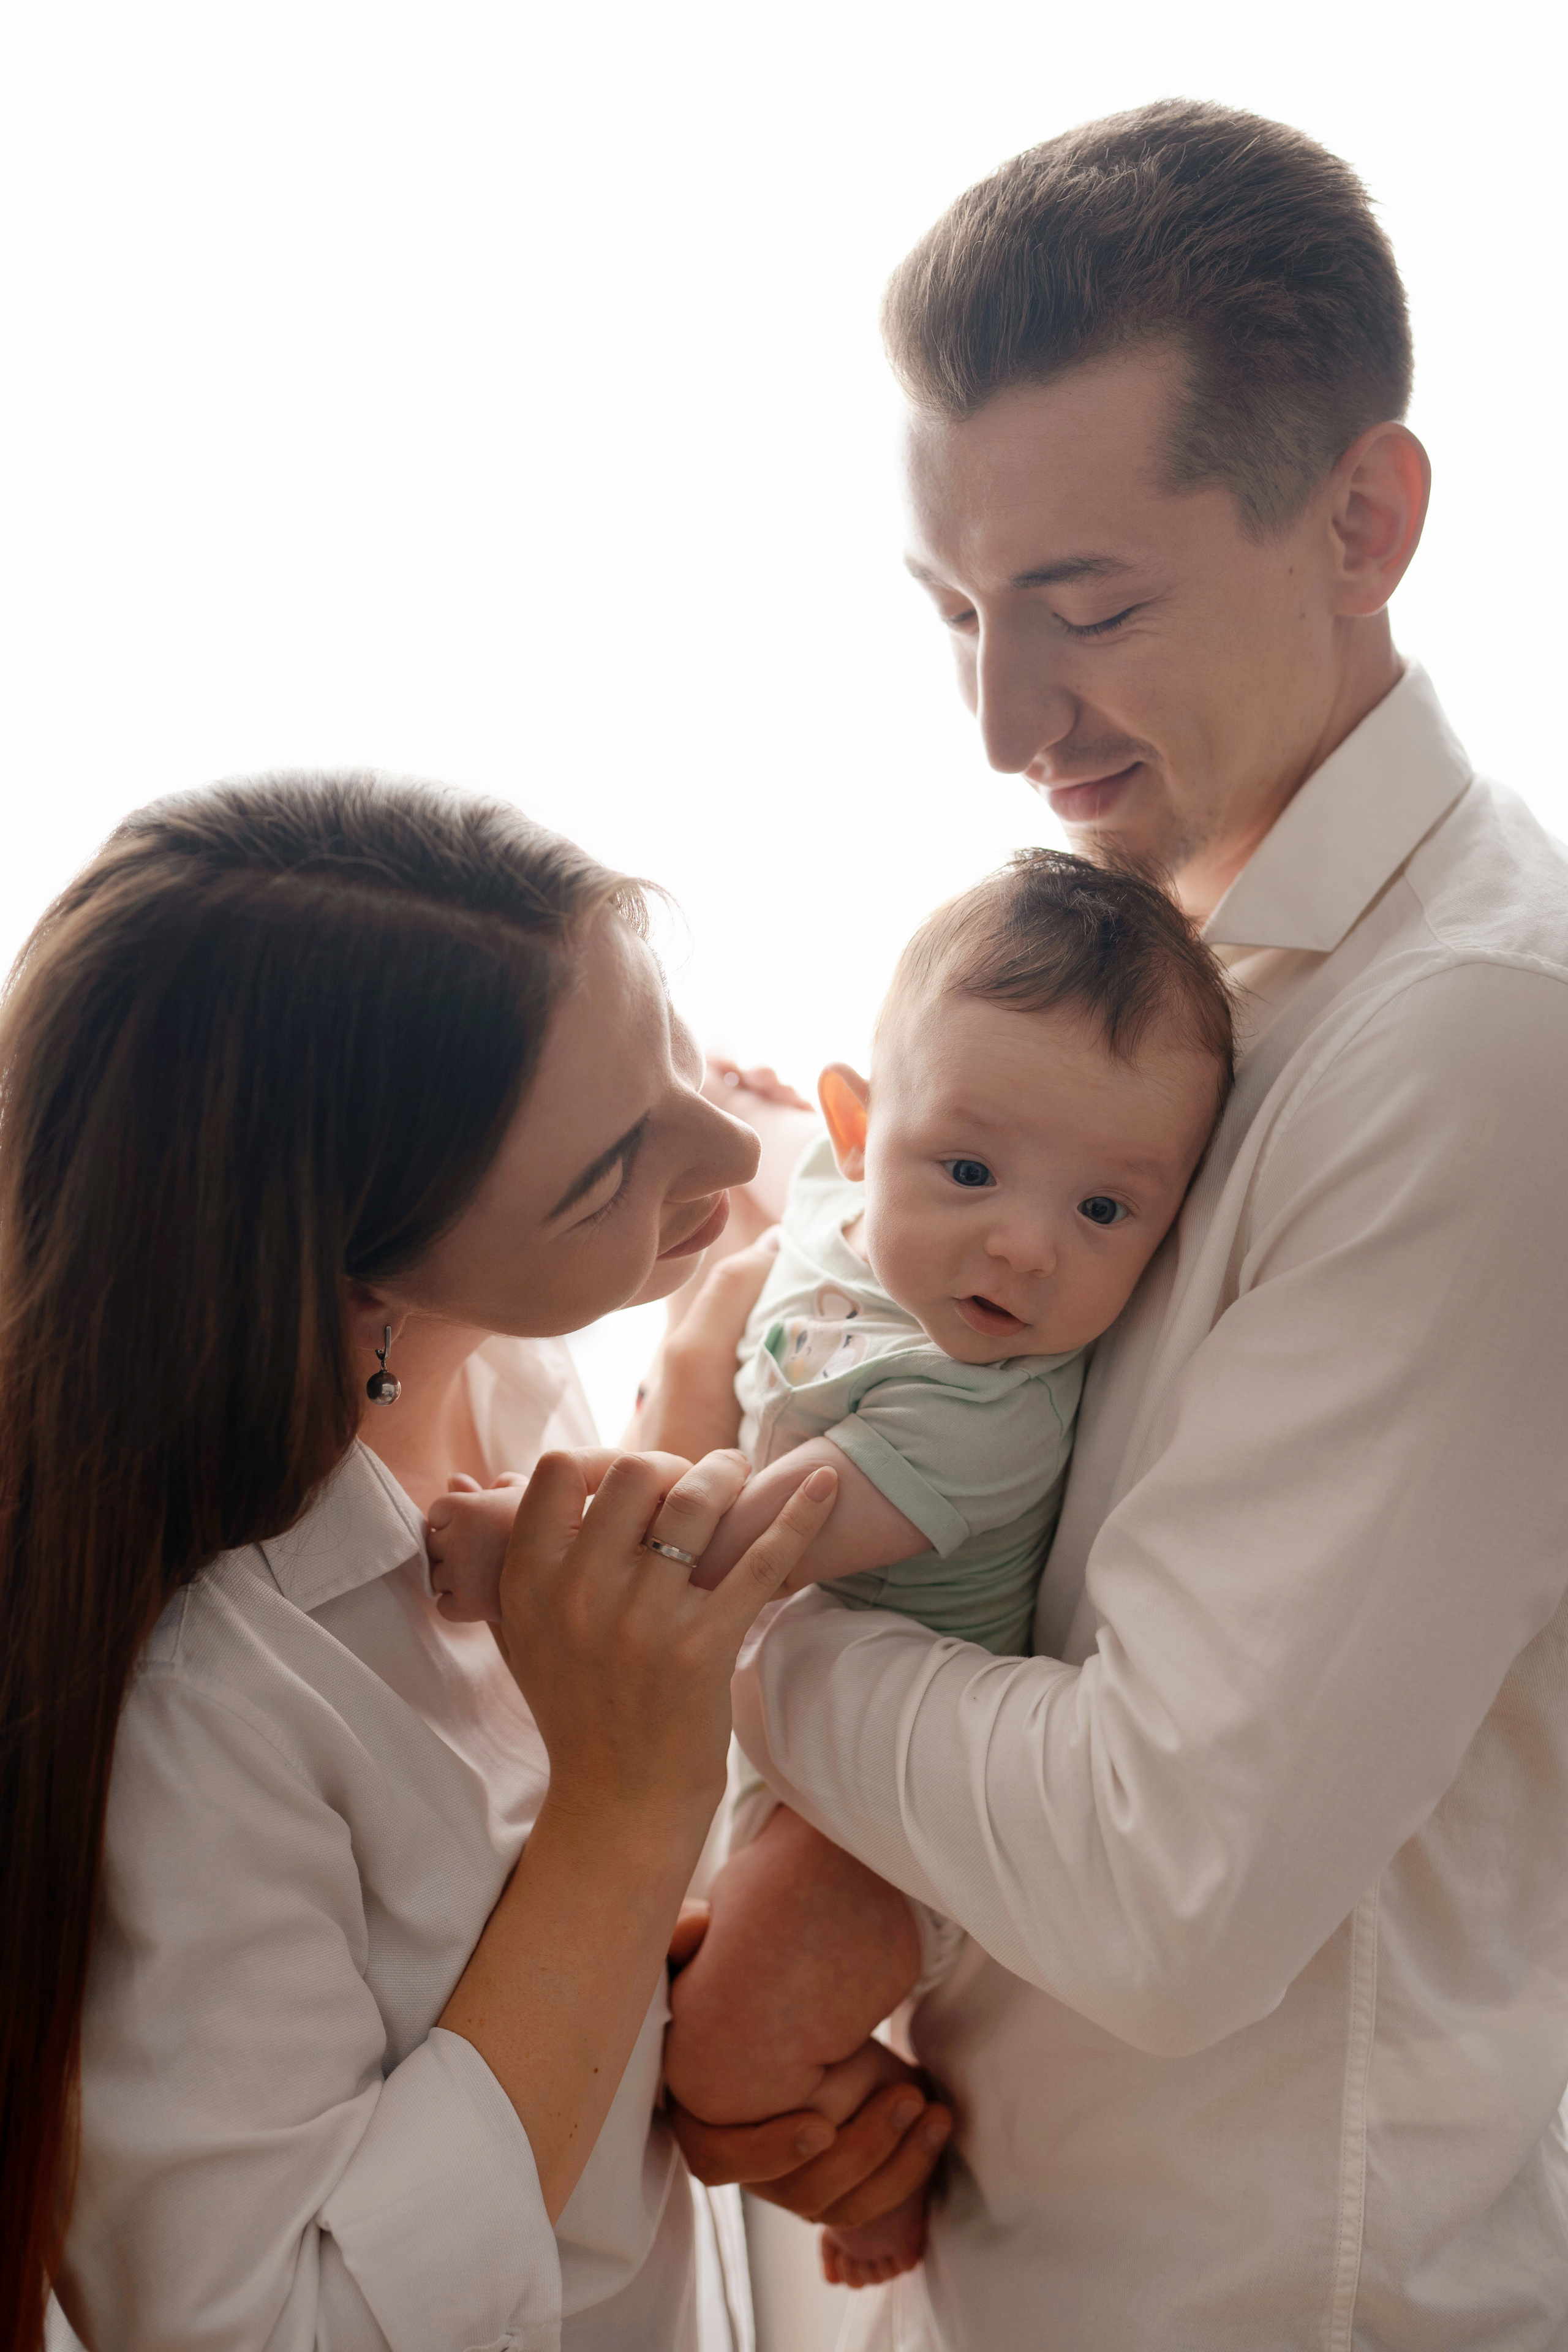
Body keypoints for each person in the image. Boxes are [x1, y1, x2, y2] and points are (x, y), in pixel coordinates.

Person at [669, 100, 1568, 2349]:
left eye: (1086, 607)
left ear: (1363, 518)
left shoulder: (1474, 1050)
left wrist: (706, 1620)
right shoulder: (1130, 993)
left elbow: (1169, 1880)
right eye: (960, 612)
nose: (1002, 720)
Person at [0, 773, 870, 2352]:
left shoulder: (504, 1373)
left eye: (671, 1044)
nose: (718, 1139)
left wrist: (695, 2047)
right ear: (349, 1286)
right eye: (608, 1170)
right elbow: (288, 2326)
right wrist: (620, 1822)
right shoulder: (198, 1700)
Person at [429, 850, 1235, 2292]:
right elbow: (791, 1191)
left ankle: (882, 2182)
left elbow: (742, 1546)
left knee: (721, 2061)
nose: (1023, 1245)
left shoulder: (981, 1406)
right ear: (856, 1133)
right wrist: (735, 1127)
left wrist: (522, 1548)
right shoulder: (828, 1196)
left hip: (879, 1824)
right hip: (792, 1755)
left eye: (1105, 1211)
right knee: (683, 1974)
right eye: (969, 1170)